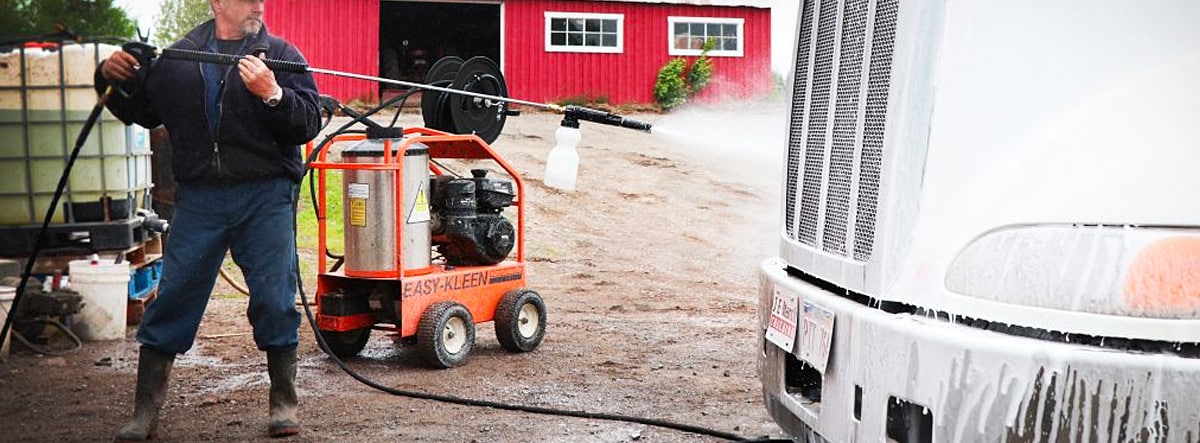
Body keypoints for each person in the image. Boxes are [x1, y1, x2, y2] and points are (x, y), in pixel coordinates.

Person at [96, 0, 321, 440]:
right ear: (219, 3)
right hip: (200, 198)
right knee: (175, 296)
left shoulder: (281, 54)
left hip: (266, 194)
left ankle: (284, 403)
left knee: (275, 298)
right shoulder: (180, 58)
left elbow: (309, 120)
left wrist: (273, 94)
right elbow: (140, 108)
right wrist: (110, 76)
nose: (258, 4)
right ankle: (145, 414)